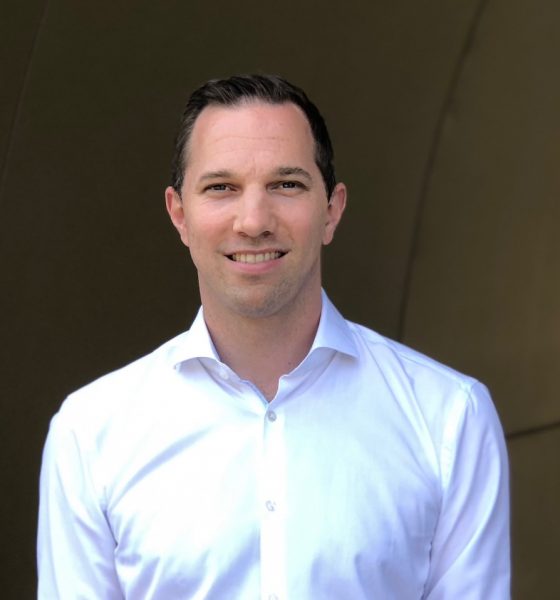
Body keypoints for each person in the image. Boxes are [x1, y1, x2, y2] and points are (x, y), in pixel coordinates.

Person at [37, 74, 510, 599]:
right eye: (221, 188)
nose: (253, 221)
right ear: (179, 215)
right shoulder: (90, 434)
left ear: (332, 209)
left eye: (286, 185)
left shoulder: (450, 418)